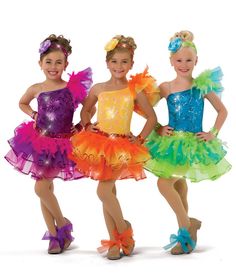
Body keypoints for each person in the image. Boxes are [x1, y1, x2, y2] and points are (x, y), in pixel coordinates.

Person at [69, 35, 158, 260]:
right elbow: (86, 110)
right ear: (107, 63)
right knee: (108, 193)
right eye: (115, 61)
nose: (119, 66)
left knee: (104, 191)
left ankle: (125, 230)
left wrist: (140, 139)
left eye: (124, 62)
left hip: (121, 145)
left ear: (131, 64)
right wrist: (87, 124)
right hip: (99, 142)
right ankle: (114, 240)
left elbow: (151, 117)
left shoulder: (134, 90)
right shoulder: (98, 88)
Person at [145, 30, 231, 255]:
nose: (184, 64)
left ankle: (186, 228)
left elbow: (223, 111)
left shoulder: (202, 86)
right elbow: (146, 111)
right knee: (177, 184)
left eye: (189, 60)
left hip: (193, 143)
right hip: (171, 143)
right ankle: (188, 224)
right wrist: (158, 128)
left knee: (164, 183)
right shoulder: (166, 87)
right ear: (171, 61)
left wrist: (212, 133)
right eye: (179, 60)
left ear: (196, 61)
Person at [5, 34, 93, 254]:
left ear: (66, 64)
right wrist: (33, 113)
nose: (53, 67)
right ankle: (54, 235)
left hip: (62, 143)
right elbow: (22, 102)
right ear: (40, 64)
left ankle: (62, 224)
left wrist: (82, 125)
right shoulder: (37, 88)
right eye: (49, 62)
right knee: (46, 188)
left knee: (41, 187)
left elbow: (90, 107)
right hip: (40, 141)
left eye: (58, 62)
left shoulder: (72, 87)